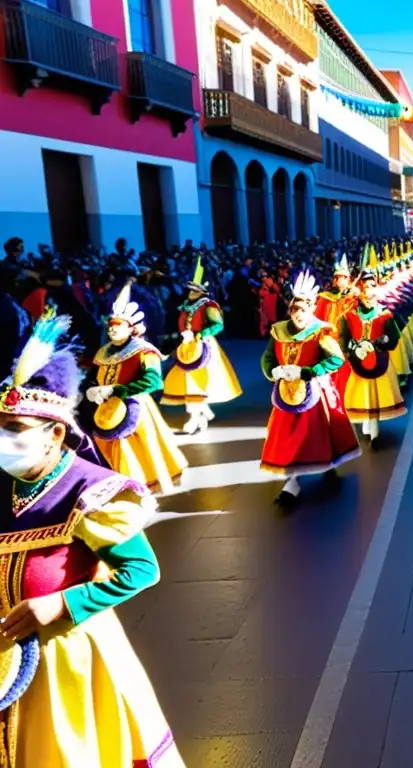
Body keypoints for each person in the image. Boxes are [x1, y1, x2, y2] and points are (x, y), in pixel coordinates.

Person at [0, 311, 184, 765]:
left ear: (55, 434)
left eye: (15, 431)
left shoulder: (90, 491)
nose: (3, 441)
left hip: (66, 659)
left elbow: (142, 569)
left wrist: (60, 603)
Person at [260, 271, 361, 506]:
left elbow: (336, 359)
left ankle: (326, 463)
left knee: (318, 434)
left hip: (315, 393)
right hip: (286, 394)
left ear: (311, 310)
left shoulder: (320, 332)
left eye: (302, 310)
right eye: (294, 310)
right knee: (287, 437)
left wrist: (308, 372)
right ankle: (291, 481)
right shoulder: (279, 331)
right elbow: (267, 358)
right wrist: (273, 371)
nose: (298, 315)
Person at [87, 284, 188, 494]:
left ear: (131, 328)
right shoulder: (103, 352)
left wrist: (118, 390)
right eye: (110, 325)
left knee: (142, 448)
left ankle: (140, 487)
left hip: (136, 408)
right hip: (106, 410)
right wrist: (93, 390)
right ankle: (119, 486)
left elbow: (153, 381)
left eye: (118, 325)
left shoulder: (143, 351)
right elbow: (93, 378)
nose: (112, 329)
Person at [161, 257, 243, 434]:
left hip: (203, 346)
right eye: (190, 289)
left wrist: (201, 334)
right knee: (185, 378)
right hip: (186, 346)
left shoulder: (209, 305)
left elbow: (218, 325)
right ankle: (202, 410)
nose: (190, 292)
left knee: (197, 380)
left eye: (194, 289)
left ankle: (195, 416)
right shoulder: (184, 306)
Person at [340, 261, 406, 450]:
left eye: (371, 288)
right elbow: (343, 340)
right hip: (357, 365)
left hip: (380, 364)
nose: (368, 293)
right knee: (360, 396)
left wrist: (379, 343)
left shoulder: (384, 315)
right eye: (364, 289)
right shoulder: (349, 316)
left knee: (376, 397)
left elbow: (394, 338)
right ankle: (365, 424)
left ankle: (375, 432)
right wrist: (353, 350)